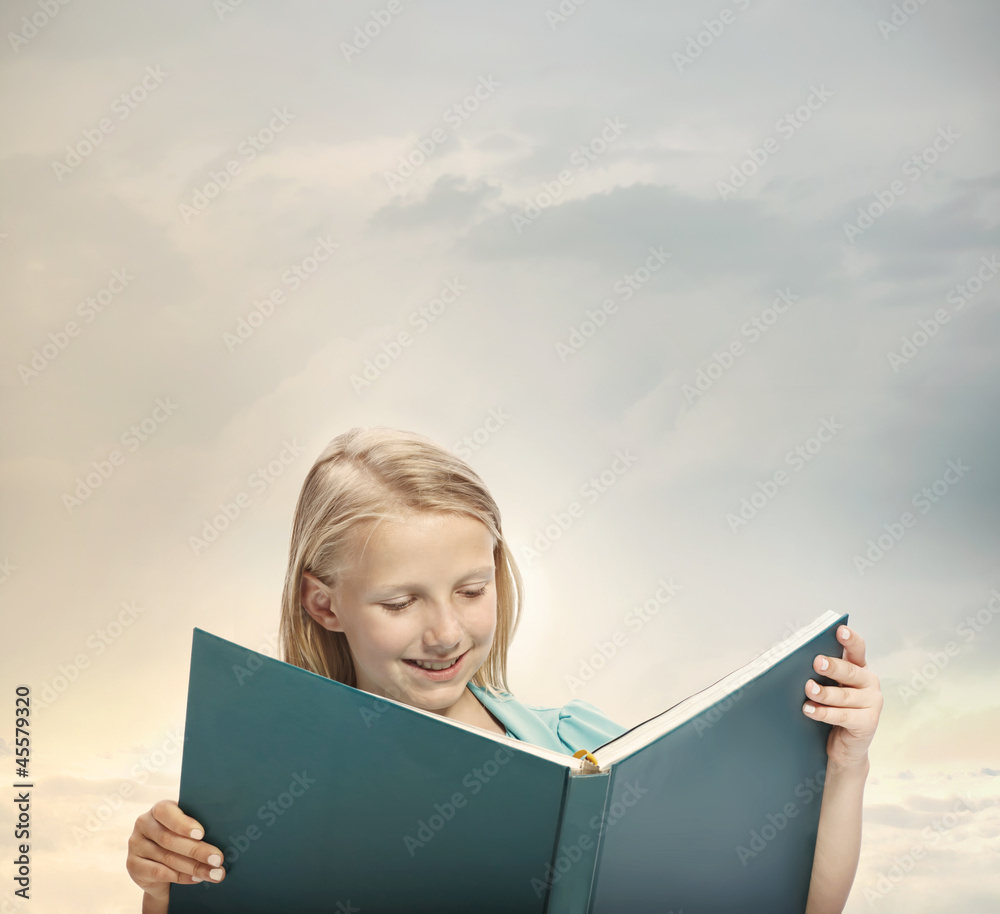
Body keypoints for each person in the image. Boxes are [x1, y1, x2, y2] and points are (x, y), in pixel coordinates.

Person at [126, 427, 883, 914]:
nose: (446, 631)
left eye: (470, 590)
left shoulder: (589, 751)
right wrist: (163, 888)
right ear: (325, 605)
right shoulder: (260, 791)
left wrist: (846, 768)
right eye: (400, 601)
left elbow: (799, 908)